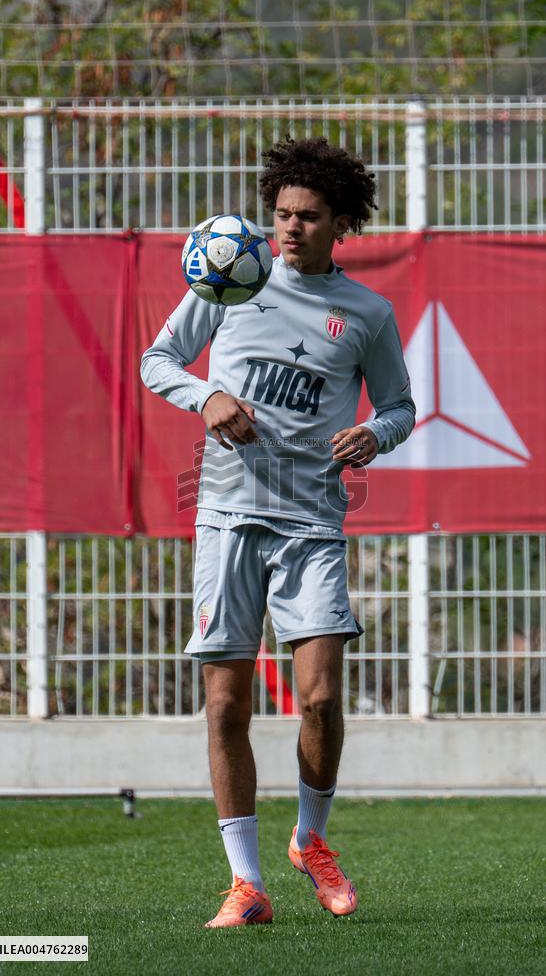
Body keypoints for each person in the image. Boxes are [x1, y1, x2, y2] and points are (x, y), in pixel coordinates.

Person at [141, 136, 416, 928]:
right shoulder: (231, 276)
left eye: (308, 217)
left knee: (321, 698)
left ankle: (312, 839)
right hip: (226, 515)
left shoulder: (366, 312)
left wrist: (377, 434)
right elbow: (157, 360)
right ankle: (246, 884)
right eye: (281, 214)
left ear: (342, 225)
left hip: (312, 521)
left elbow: (399, 405)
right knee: (226, 704)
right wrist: (206, 399)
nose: (289, 229)